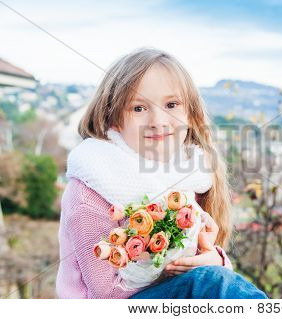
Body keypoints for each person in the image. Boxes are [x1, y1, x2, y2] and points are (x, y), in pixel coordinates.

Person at [55, 47, 268, 299]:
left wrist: (214, 259)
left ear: (190, 114)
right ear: (113, 117)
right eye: (138, 108)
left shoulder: (189, 177)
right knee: (211, 282)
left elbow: (211, 274)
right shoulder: (92, 185)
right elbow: (104, 294)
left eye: (171, 104)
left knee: (214, 279)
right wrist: (175, 270)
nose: (158, 120)